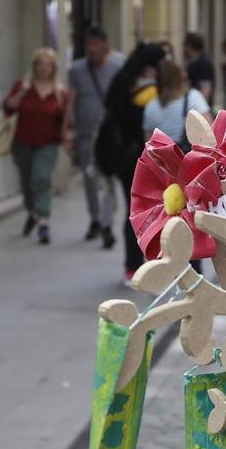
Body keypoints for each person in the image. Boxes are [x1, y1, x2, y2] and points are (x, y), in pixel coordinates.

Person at [100, 41, 168, 280]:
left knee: (133, 211)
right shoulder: (149, 92)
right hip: (141, 159)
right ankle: (144, 265)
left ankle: (132, 267)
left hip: (122, 158)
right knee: (150, 212)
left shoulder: (123, 82)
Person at [4, 47, 75, 245]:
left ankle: (43, 221)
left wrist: (68, 140)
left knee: (41, 178)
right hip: (22, 143)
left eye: (48, 64)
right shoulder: (23, 85)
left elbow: (66, 120)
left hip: (48, 144)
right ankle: (32, 211)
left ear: (54, 68)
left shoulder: (60, 92)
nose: (44, 68)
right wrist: (20, 95)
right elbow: (7, 108)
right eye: (40, 64)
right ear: (34, 66)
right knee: (27, 183)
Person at [67, 27, 125, 248]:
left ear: (105, 44)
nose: (92, 50)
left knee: (108, 179)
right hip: (85, 135)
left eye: (95, 45)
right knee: (90, 179)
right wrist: (67, 130)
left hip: (110, 136)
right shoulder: (77, 70)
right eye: (88, 45)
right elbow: (71, 100)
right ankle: (95, 219)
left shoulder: (119, 65)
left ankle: (107, 224)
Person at [184, 32, 216, 102]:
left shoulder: (203, 62)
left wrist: (201, 107)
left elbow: (206, 88)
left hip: (198, 107)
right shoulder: (193, 61)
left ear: (189, 46)